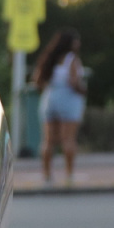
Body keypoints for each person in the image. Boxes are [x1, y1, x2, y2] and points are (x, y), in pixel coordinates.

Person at [34, 28, 86, 185]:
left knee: (48, 141)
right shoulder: (72, 59)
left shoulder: (49, 59)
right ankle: (69, 175)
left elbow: (37, 81)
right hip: (68, 99)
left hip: (49, 98)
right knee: (68, 139)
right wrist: (83, 90)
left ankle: (47, 176)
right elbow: (74, 81)